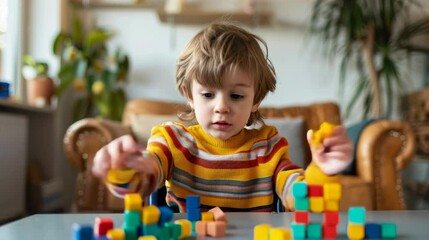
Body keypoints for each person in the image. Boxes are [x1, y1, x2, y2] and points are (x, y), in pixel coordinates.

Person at [92, 22, 353, 212]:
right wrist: (123, 169)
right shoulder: (172, 140)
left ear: (257, 99)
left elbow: (297, 196)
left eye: (236, 96)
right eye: (207, 94)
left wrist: (321, 171)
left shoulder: (269, 146)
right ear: (189, 95)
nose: (222, 107)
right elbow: (145, 179)